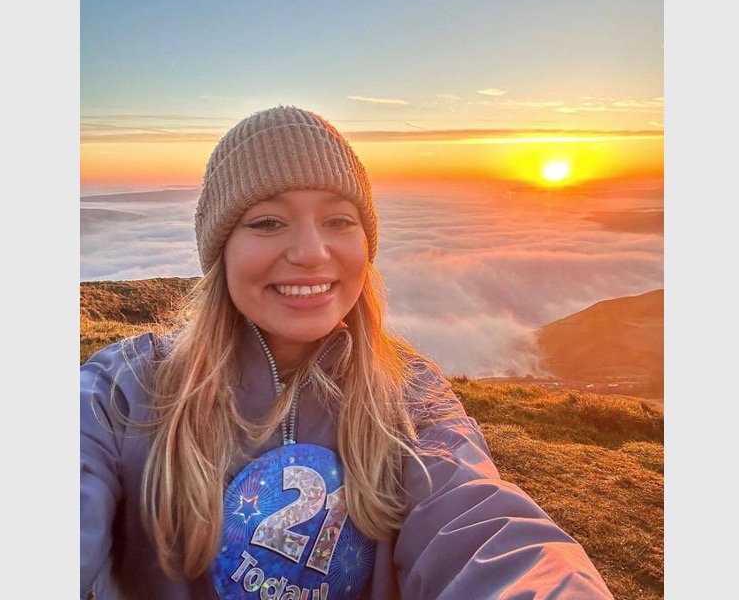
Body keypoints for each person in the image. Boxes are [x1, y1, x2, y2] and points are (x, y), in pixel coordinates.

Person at [81, 106, 615, 600]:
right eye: (268, 222)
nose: (312, 252)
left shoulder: (410, 400)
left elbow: (482, 529)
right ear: (221, 248)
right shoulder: (123, 392)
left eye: (339, 220)